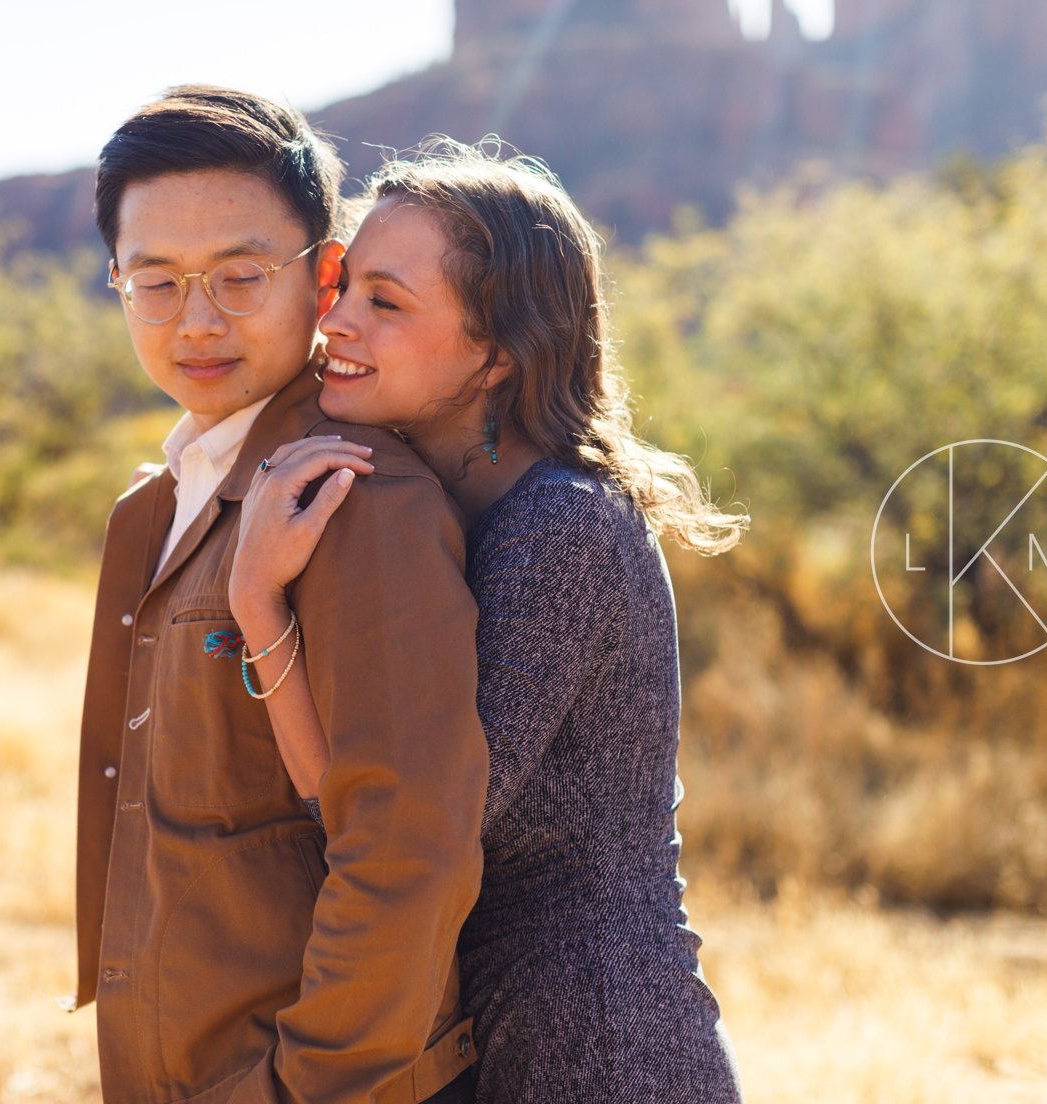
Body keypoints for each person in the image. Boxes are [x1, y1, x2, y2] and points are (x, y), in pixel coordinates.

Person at [231, 139, 749, 1101]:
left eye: (386, 303)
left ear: (497, 354)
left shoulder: (562, 527)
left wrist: (257, 603)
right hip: (503, 1032)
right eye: (343, 286)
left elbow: (409, 823)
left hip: (597, 1047)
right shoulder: (454, 509)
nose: (335, 322)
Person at [72, 86, 489, 1104]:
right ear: (117, 279)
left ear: (326, 272)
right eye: (157, 281)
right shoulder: (158, 503)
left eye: (241, 276)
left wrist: (308, 1086)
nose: (197, 320)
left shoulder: (355, 497)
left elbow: (410, 848)